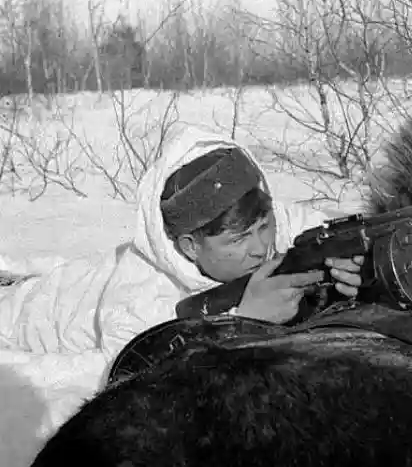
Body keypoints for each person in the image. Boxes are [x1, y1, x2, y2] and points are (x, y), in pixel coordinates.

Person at [0, 125, 365, 368]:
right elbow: (131, 377)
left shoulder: (264, 224)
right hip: (35, 315)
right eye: (238, 240)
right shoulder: (141, 298)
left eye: (264, 225)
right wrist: (243, 324)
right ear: (191, 247)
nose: (261, 248)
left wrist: (351, 256)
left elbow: (312, 227)